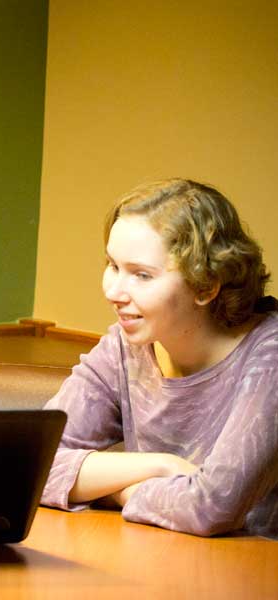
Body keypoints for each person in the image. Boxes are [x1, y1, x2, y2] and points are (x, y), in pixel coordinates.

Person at [41, 178, 277, 538]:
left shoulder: (268, 357)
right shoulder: (124, 347)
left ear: (205, 286)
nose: (114, 292)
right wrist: (161, 466)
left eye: (141, 275)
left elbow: (213, 507)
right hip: (153, 560)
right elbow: (29, 463)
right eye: (112, 265)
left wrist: (116, 492)